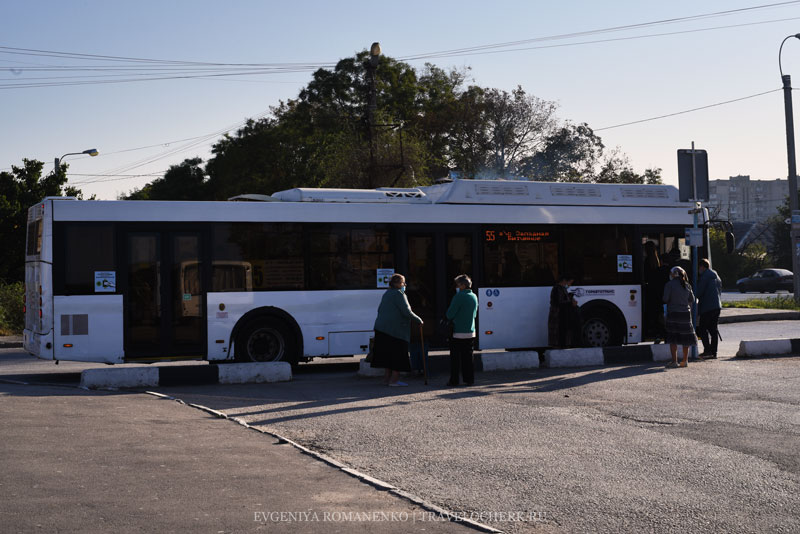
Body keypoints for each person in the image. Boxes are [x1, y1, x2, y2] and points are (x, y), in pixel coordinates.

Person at [371, 273, 423, 386]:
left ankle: (386, 380)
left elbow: (380, 309)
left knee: (387, 356)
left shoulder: (387, 293)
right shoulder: (399, 294)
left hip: (381, 328)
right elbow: (406, 312)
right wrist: (419, 320)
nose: (405, 284)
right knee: (398, 355)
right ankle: (394, 380)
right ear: (398, 283)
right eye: (403, 282)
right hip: (395, 331)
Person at [445, 274, 479, 387]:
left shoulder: (458, 297)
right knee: (468, 358)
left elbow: (450, 314)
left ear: (463, 285)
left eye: (458, 284)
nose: (457, 287)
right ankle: (469, 379)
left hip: (458, 332)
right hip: (470, 331)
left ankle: (454, 380)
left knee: (455, 358)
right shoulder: (474, 296)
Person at [663, 266, 696, 368]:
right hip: (685, 314)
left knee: (673, 338)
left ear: (673, 274)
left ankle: (674, 361)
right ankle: (685, 361)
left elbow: (665, 299)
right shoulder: (687, 285)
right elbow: (692, 299)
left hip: (673, 314)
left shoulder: (669, 285)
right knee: (685, 337)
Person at [695, 258, 722, 359]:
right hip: (717, 306)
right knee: (713, 330)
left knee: (702, 329)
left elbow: (698, 292)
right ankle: (714, 352)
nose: (699, 269)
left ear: (702, 267)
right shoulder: (716, 276)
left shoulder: (704, 277)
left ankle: (707, 350)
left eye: (699, 267)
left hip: (707, 307)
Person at [548, 274, 578, 348]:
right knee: (559, 336)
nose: (570, 285)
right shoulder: (557, 289)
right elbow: (559, 302)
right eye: (570, 283)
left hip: (561, 315)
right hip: (558, 316)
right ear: (564, 281)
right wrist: (571, 302)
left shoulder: (561, 288)